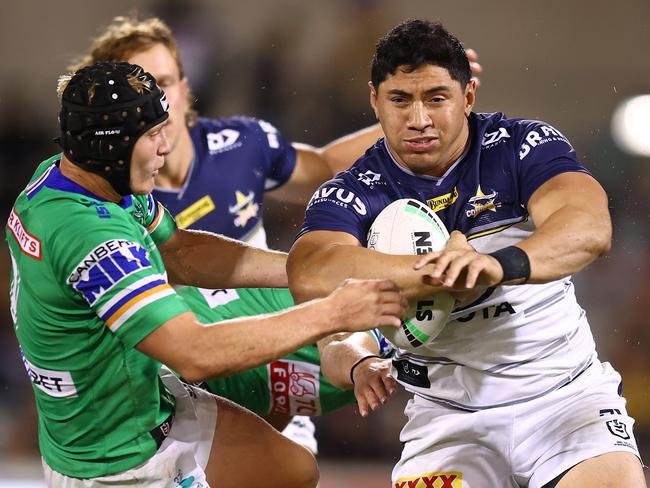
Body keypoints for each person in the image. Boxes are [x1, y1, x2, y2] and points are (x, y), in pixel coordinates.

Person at [68, 15, 482, 446]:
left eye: (167, 82)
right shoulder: (111, 198)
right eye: (143, 88)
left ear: (186, 86)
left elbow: (322, 167)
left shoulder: (239, 143)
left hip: (280, 349)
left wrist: (419, 110)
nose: (161, 101)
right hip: (189, 382)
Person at [5, 61, 406, 487]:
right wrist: (333, 312)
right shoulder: (91, 238)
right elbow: (194, 353)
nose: (167, 145)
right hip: (119, 464)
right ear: (111, 145)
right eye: (153, 134)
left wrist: (305, 271)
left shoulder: (72, 175)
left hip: (139, 404)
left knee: (296, 472)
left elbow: (182, 252)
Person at [287, 19, 645, 488]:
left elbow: (589, 227)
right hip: (447, 421)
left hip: (565, 399)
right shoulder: (353, 190)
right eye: (399, 100)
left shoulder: (519, 146)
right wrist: (433, 275)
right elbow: (312, 273)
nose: (418, 119)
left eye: (436, 98)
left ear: (468, 96)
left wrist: (497, 265)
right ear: (375, 101)